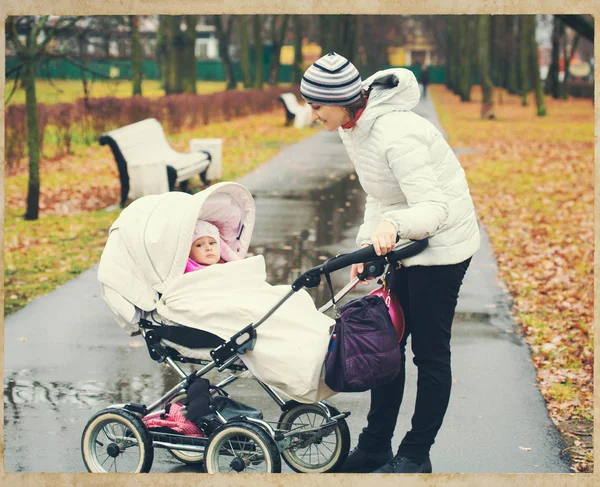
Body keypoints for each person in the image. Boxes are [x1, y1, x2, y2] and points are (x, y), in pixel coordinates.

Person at [300, 52, 480, 474]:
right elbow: (382, 192)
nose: (311, 115)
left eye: (316, 106)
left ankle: (416, 455)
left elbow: (435, 208)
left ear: (343, 99)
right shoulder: (354, 126)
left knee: (429, 354)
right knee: (387, 344)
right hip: (406, 241)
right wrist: (367, 247)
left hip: (443, 246)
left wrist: (393, 226)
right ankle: (376, 446)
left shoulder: (397, 135)